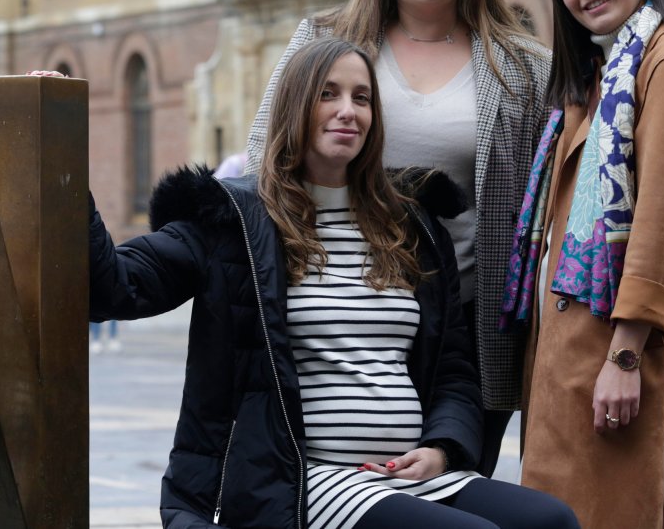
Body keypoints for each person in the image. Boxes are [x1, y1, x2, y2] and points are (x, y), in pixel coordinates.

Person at [89, 38, 578, 529]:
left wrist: (441, 448)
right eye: (328, 94)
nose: (348, 111)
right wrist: (59, 154)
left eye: (361, 98)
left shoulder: (411, 225)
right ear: (295, 106)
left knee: (551, 520)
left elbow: (452, 366)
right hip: (304, 478)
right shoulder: (235, 222)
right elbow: (115, 287)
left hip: (407, 472)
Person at [244, 0, 550, 476]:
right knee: (344, 494)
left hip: (466, 329)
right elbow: (265, 156)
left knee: (452, 487)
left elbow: (551, 198)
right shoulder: (325, 39)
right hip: (336, 316)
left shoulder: (525, 65)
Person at [504, 0, 664, 527]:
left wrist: (625, 358)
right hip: (566, 350)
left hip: (617, 347)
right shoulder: (602, 74)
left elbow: (663, 224)